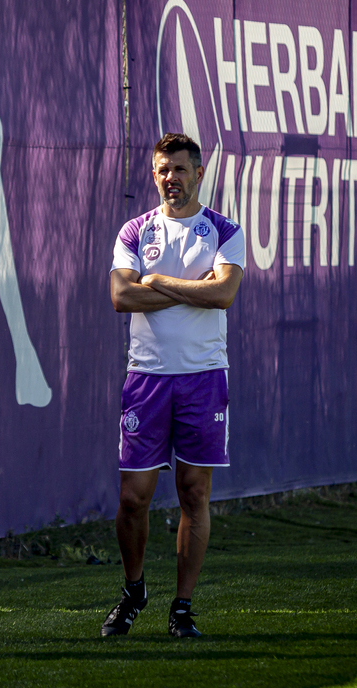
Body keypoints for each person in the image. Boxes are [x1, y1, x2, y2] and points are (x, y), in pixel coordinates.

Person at [102, 132, 245, 639]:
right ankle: (134, 588)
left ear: (199, 173)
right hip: (147, 379)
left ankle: (182, 607)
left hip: (204, 378)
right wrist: (193, 289)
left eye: (180, 170)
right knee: (133, 498)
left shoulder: (224, 230)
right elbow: (121, 296)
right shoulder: (135, 230)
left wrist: (157, 281)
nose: (171, 179)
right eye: (163, 170)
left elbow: (224, 293)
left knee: (193, 494)